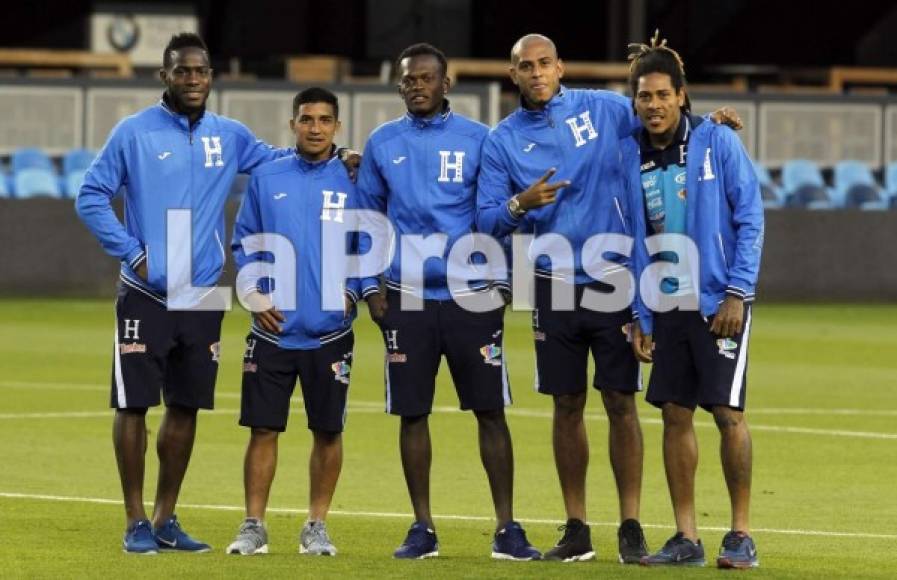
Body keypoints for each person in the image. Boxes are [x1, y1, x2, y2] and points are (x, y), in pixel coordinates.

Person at [477, 33, 742, 564]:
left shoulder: (603, 108)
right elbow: (485, 221)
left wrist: (711, 126)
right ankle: (576, 526)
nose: (536, 73)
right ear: (513, 76)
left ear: (561, 66)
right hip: (551, 281)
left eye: (545, 63)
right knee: (566, 403)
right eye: (525, 66)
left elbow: (662, 115)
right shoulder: (501, 140)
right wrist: (518, 204)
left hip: (617, 276)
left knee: (621, 401)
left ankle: (630, 524)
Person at [75, 32, 306, 554]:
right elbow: (90, 195)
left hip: (202, 294)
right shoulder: (133, 133)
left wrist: (338, 157)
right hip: (147, 292)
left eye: (201, 71)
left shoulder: (231, 136)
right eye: (183, 71)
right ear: (165, 76)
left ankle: (164, 518)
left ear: (211, 77)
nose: (194, 79)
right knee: (134, 406)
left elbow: (278, 160)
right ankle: (134, 519)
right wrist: (134, 253)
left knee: (185, 407)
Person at [356, 43, 540, 561]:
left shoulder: (480, 140)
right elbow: (367, 222)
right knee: (412, 415)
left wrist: (504, 282)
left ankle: (507, 528)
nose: (417, 86)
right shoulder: (381, 143)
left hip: (471, 297)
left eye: (426, 78)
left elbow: (495, 215)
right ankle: (423, 528)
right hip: (407, 299)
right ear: (399, 86)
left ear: (446, 83)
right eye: (409, 79)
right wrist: (370, 287)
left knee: (489, 412)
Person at [624, 32, 763, 569]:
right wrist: (641, 315)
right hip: (665, 303)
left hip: (717, 302)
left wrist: (736, 292)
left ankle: (740, 534)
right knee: (674, 415)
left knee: (728, 413)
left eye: (663, 95)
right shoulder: (628, 152)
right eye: (644, 97)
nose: (654, 105)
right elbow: (637, 238)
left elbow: (750, 217)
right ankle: (686, 538)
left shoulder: (717, 142)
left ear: (682, 95)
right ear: (634, 102)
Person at [225, 88, 359, 557]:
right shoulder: (267, 176)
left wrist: (354, 290)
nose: (316, 128)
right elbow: (243, 242)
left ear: (337, 127)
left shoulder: (353, 178)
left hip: (330, 331)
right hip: (273, 329)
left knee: (328, 431)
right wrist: (253, 292)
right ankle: (253, 524)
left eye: (325, 120)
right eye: (307, 119)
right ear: (292, 124)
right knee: (263, 429)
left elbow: (373, 240)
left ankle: (316, 525)